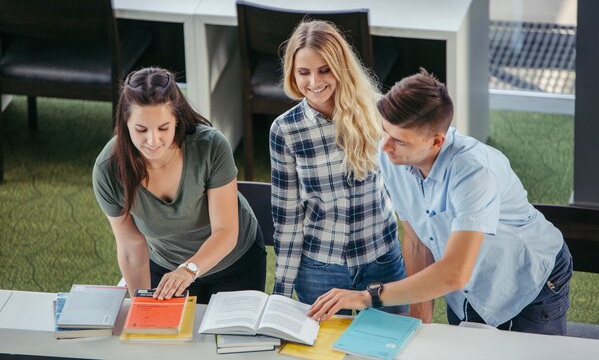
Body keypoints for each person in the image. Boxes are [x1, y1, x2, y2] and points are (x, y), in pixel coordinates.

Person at [308, 69, 573, 335]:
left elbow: (454, 272)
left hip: (530, 280)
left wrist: (368, 297)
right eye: (384, 131)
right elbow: (417, 240)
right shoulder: (393, 154)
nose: (385, 146)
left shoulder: (473, 173)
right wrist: (418, 325)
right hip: (462, 284)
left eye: (399, 140)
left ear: (436, 142)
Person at [93, 67, 266, 304]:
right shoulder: (108, 169)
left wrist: (189, 270)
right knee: (165, 336)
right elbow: (131, 246)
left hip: (235, 261)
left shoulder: (211, 146)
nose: (152, 141)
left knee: (230, 339)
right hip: (166, 268)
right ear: (125, 124)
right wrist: (141, 306)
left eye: (163, 128)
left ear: (177, 119)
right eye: (141, 130)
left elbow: (225, 232)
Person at [270, 20, 407, 315]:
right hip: (320, 267)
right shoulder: (284, 130)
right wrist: (280, 293)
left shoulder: (379, 111)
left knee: (389, 349)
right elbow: (287, 217)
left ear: (341, 68)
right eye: (303, 72)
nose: (314, 82)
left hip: (382, 258)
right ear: (292, 74)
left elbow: (408, 181)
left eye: (324, 70)